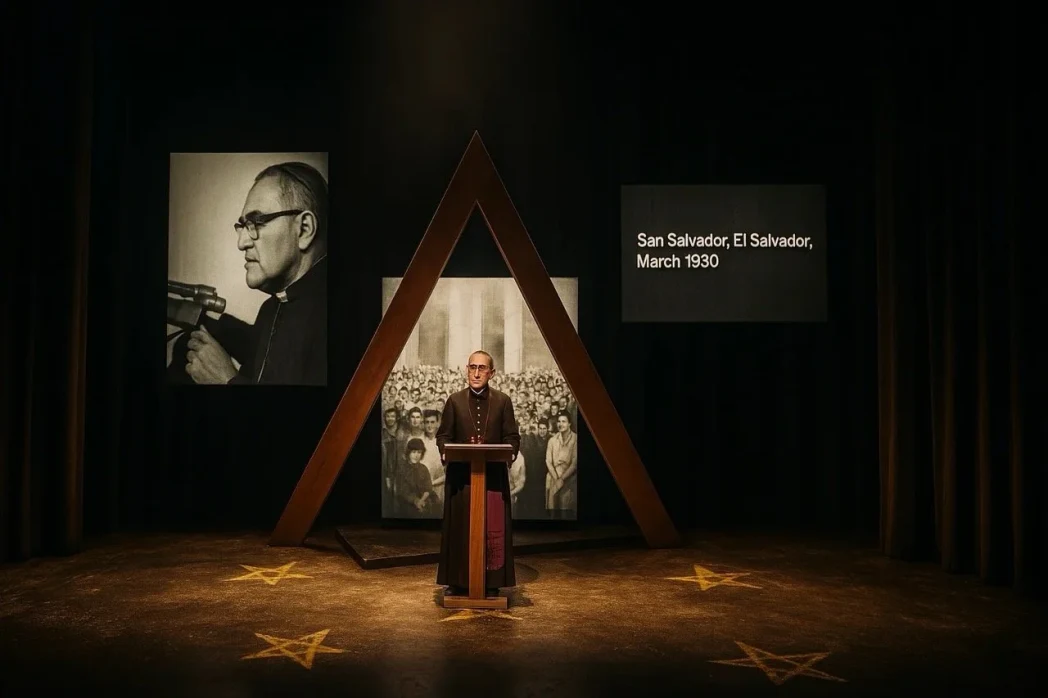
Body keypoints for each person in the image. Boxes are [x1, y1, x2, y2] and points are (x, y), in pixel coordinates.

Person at [179, 161, 329, 386]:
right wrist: (203, 320)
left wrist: (226, 380)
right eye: (243, 226)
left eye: (257, 222)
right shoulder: (272, 307)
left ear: (304, 229)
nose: (242, 242)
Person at [435, 350, 521, 596]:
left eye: (482, 368)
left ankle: (491, 582)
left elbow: (512, 437)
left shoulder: (503, 401)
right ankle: (457, 580)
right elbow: (443, 435)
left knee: (491, 530)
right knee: (460, 528)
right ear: (466, 369)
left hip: (492, 478)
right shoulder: (454, 400)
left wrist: (511, 452)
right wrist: (444, 450)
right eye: (472, 367)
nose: (476, 372)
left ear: (491, 373)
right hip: (462, 480)